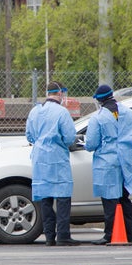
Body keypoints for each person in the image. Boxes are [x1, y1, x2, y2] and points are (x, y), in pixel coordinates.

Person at [25, 81, 79, 246]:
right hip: (57, 158)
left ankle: (49, 237)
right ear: (61, 93)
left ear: (47, 92)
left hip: (40, 158)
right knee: (62, 197)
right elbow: (70, 137)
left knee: (45, 198)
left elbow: (29, 135)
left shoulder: (35, 111)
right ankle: (63, 235)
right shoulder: (62, 112)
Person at [85, 84, 132, 244]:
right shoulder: (129, 113)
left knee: (110, 200)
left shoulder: (98, 118)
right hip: (126, 159)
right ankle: (129, 234)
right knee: (124, 198)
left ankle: (110, 235)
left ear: (99, 100)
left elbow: (91, 143)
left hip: (107, 162)